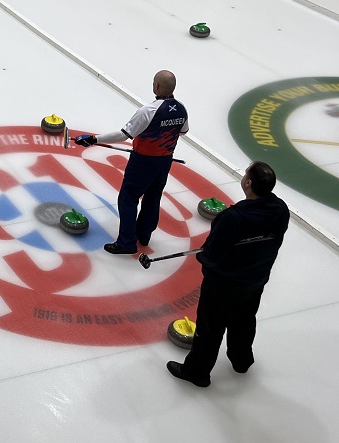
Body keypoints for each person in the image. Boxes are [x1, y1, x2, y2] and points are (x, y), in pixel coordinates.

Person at [168, 162, 289, 388]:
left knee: (210, 328)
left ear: (249, 183)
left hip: (223, 286)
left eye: (246, 175)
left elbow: (211, 256)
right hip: (255, 280)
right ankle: (241, 361)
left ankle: (197, 372)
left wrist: (204, 259)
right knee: (244, 321)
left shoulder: (232, 218)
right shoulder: (280, 209)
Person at [74, 69, 189, 254]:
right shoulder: (182, 109)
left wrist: (95, 139)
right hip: (165, 161)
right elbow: (183, 131)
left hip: (143, 161)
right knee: (153, 197)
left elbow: (123, 134)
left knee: (128, 198)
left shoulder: (148, 111)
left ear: (156, 86)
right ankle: (144, 235)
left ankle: (127, 242)